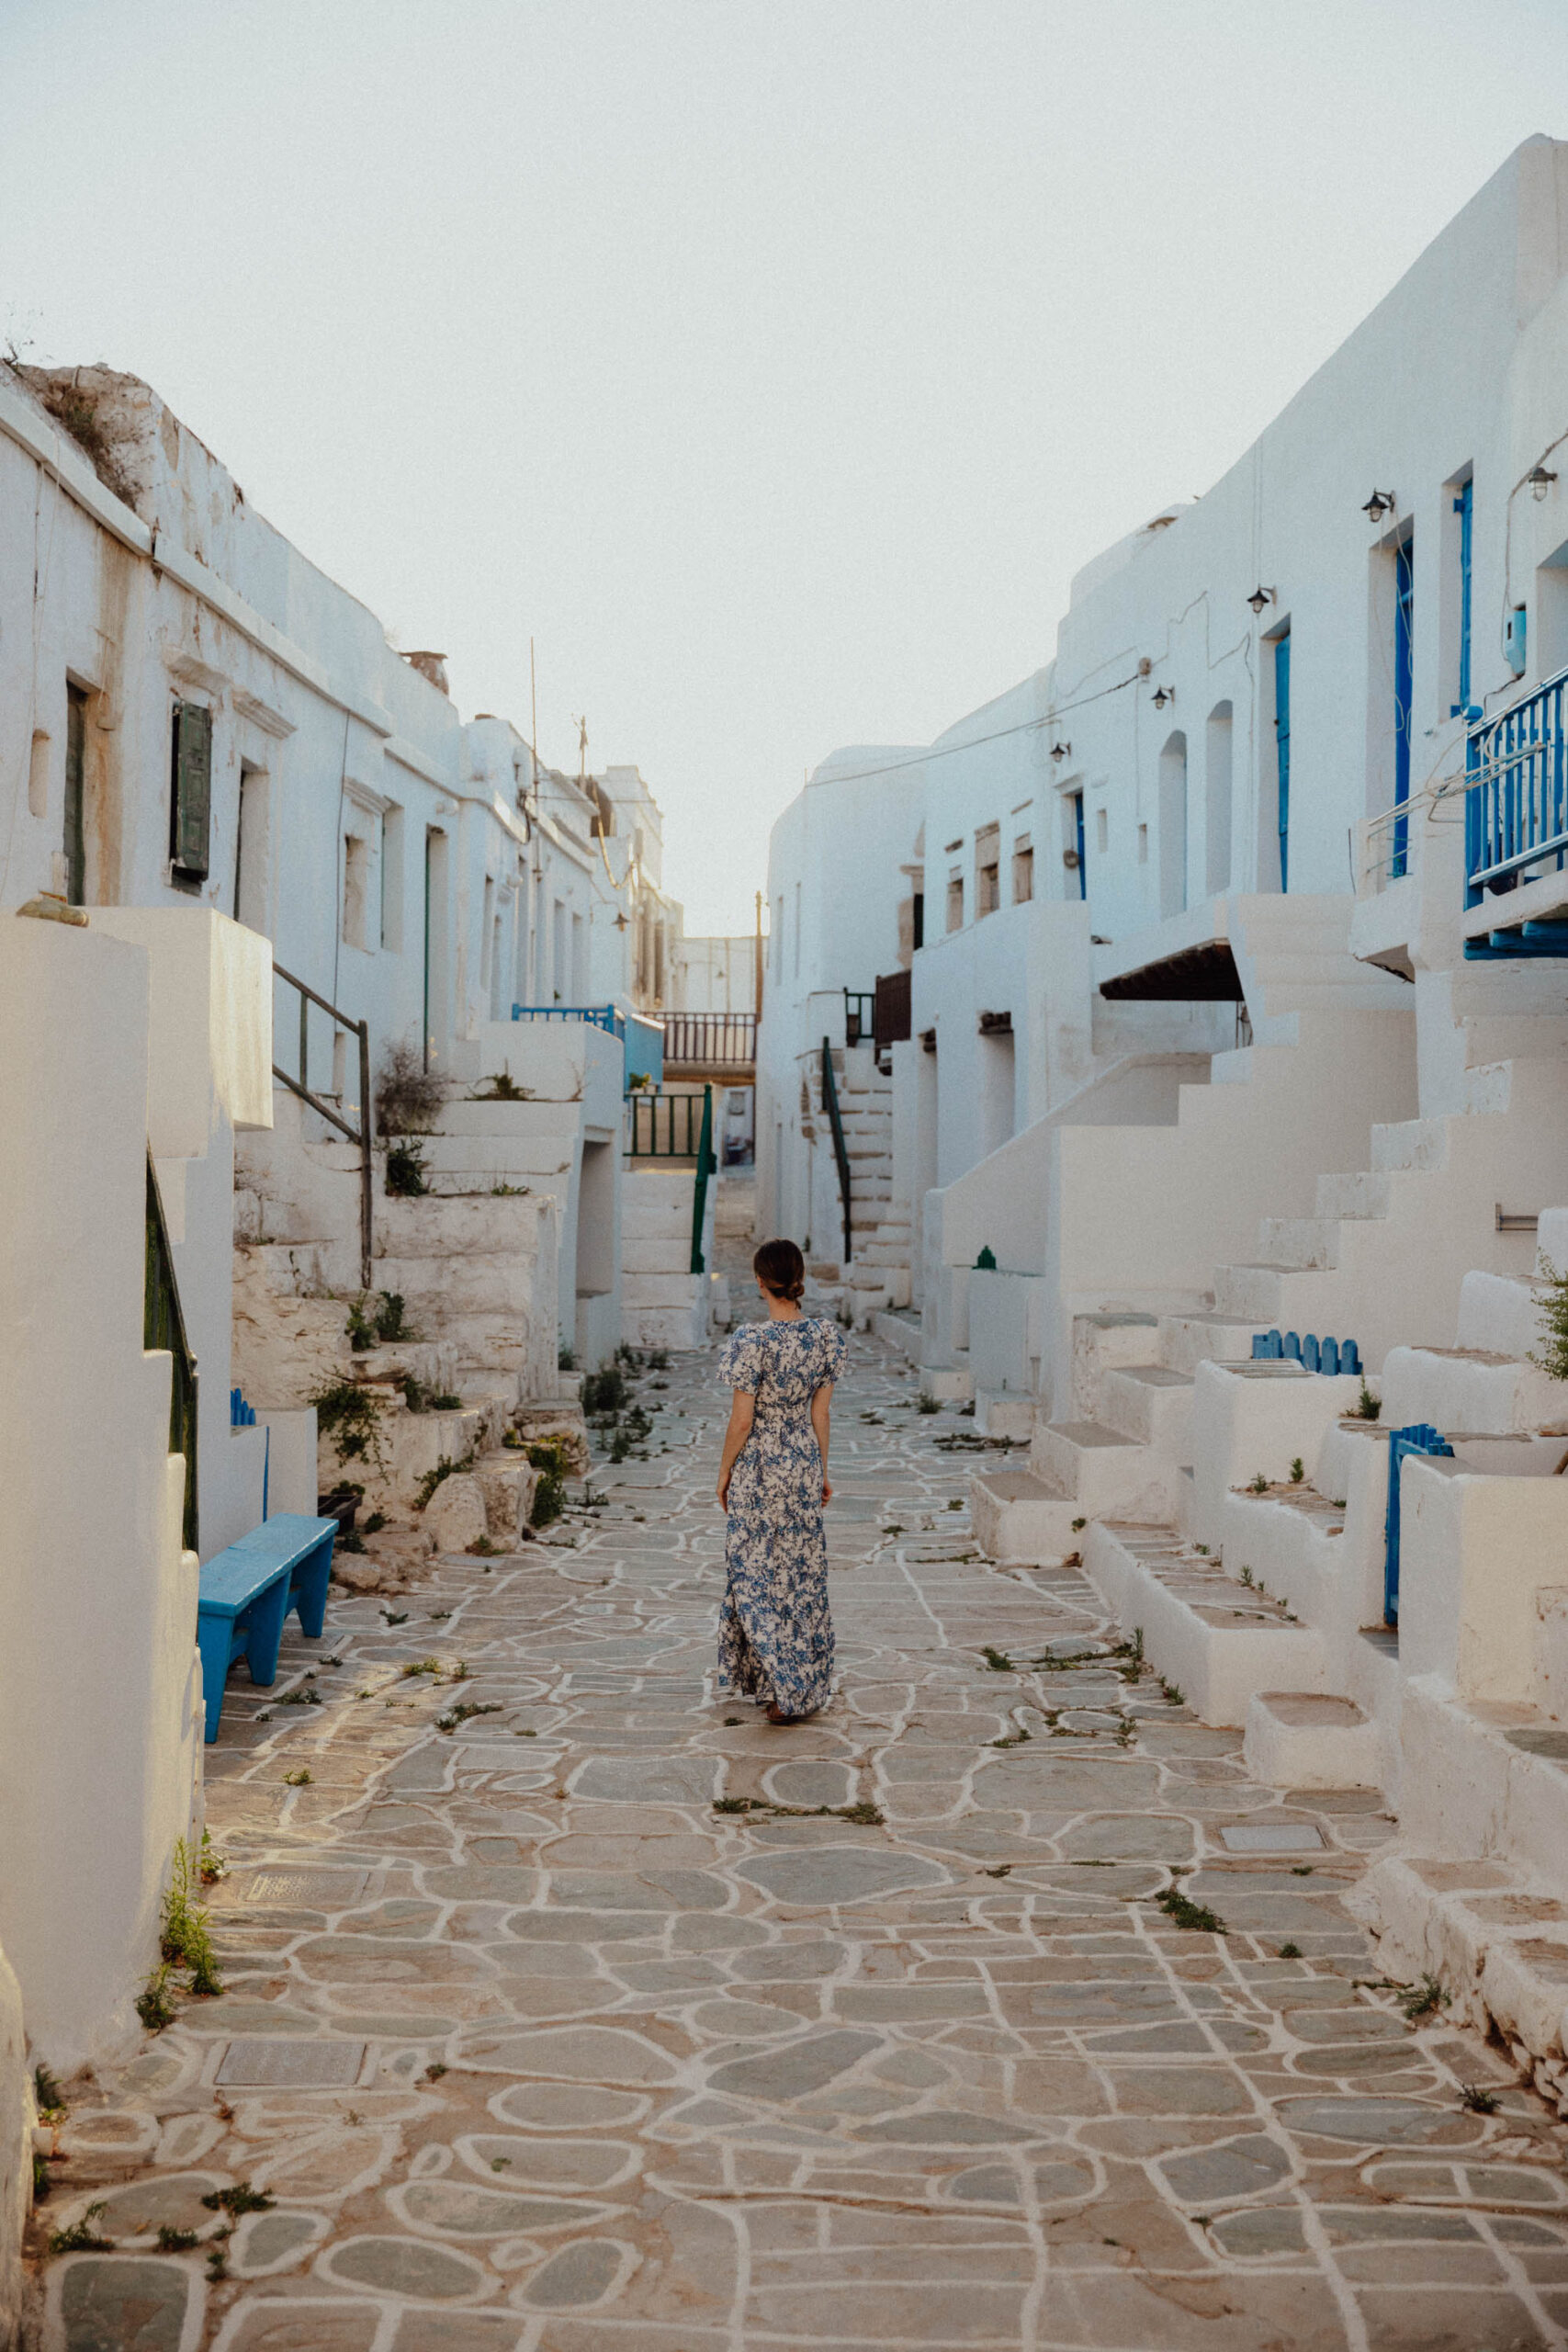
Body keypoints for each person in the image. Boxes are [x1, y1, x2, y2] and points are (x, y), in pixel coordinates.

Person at [714, 1238, 847, 1724]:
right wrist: (821, 1471)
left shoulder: (752, 1341)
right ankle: (804, 1682)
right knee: (801, 1576)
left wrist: (725, 1470)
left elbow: (742, 1421)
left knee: (755, 1576)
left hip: (760, 1466)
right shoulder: (826, 1337)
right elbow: (823, 1412)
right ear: (798, 1278)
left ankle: (781, 1691)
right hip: (802, 1463)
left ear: (760, 1282)